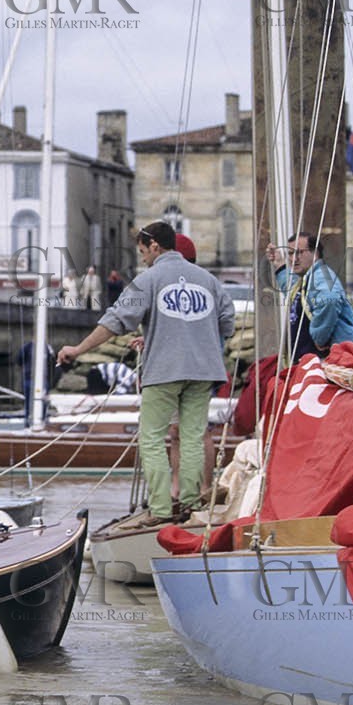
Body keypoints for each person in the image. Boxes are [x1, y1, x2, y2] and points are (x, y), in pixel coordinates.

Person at [59, 220, 234, 528]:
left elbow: (115, 321)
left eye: (142, 250)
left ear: (154, 245)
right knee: (193, 437)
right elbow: (227, 322)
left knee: (152, 439)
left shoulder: (149, 280)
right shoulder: (209, 281)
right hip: (204, 370)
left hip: (165, 371)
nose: (142, 257)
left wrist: (78, 349)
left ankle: (161, 508)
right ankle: (191, 505)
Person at [266, 231, 353, 361]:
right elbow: (294, 291)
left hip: (328, 362)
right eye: (290, 253)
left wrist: (319, 337)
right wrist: (280, 265)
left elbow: (330, 299)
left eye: (300, 252)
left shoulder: (321, 275)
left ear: (315, 253)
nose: (294, 259)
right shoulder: (308, 278)